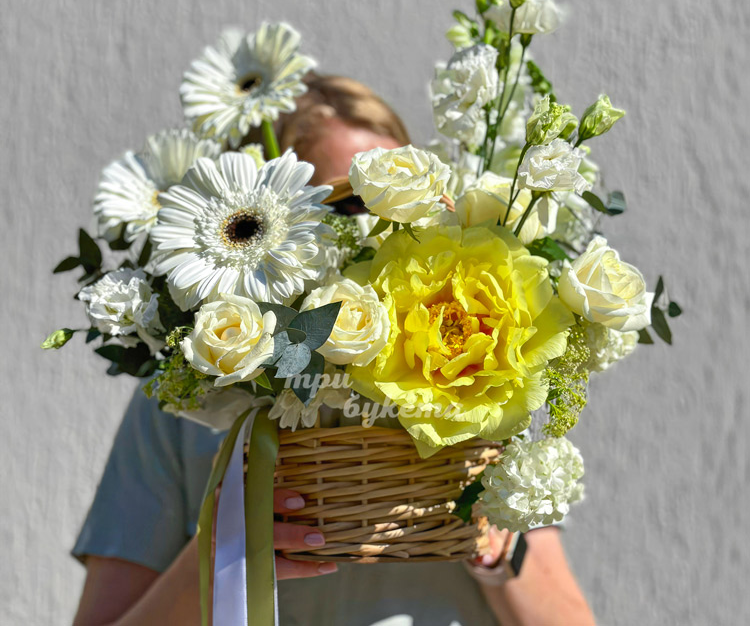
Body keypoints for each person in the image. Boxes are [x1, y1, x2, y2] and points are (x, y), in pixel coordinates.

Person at [72, 75, 596, 626]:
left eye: (406, 205)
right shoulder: (191, 399)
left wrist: (496, 537)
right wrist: (216, 559)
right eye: (350, 204)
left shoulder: (476, 376)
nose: (381, 228)